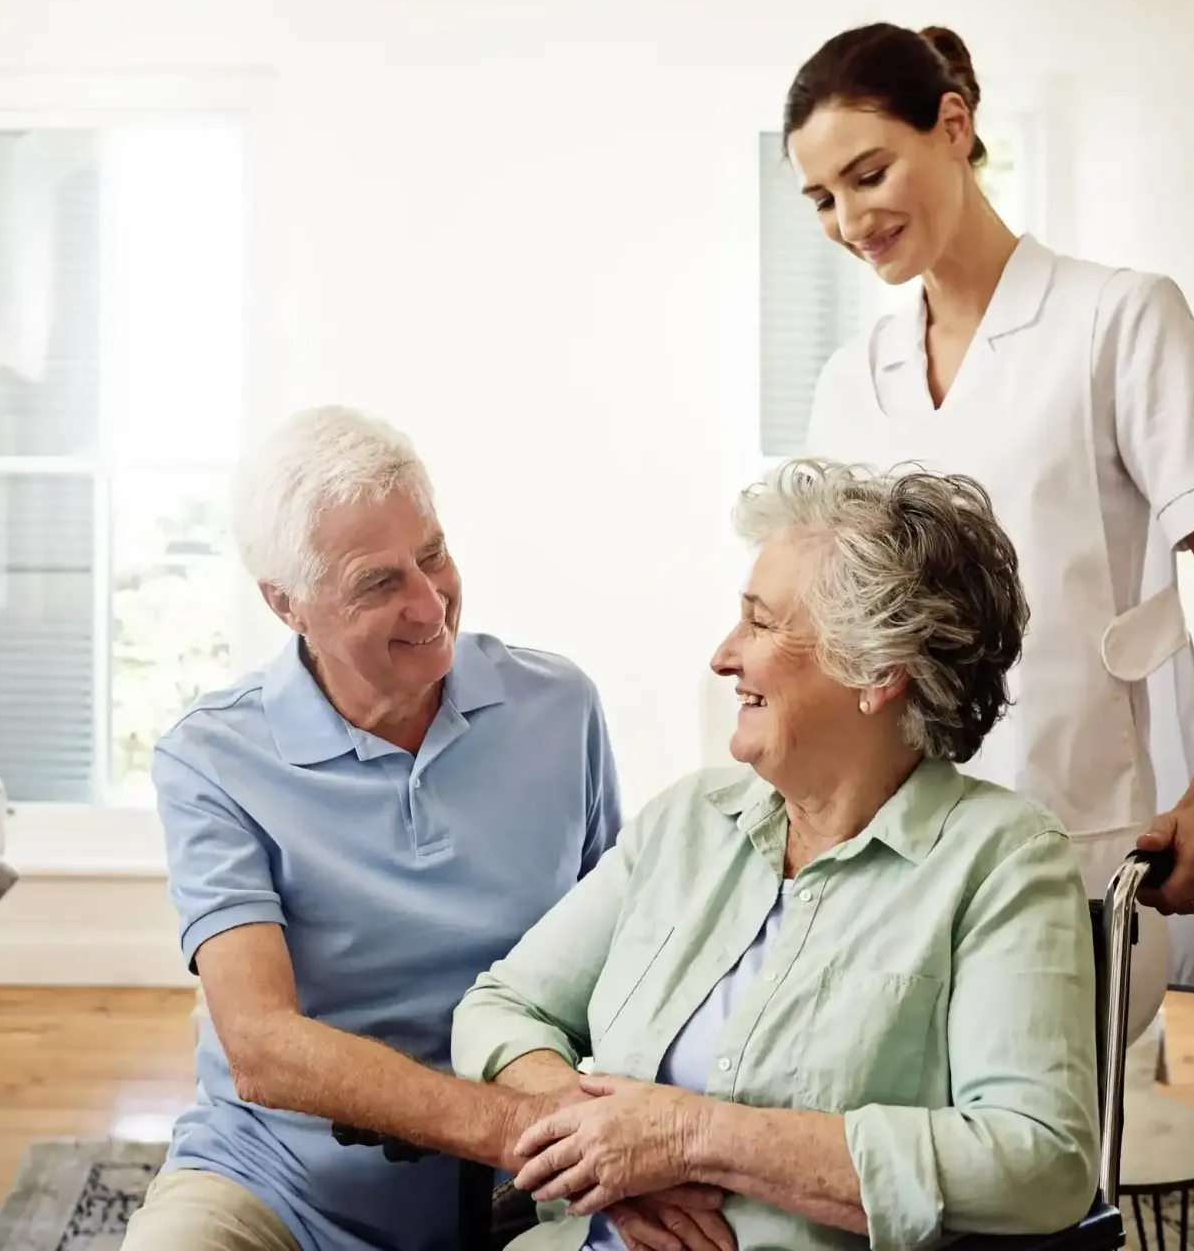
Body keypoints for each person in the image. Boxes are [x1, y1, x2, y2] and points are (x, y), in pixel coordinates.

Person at [785, 23, 1194, 1031]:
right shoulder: (854, 379)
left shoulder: (1118, 320)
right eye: (821, 199)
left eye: (869, 173)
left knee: (1041, 1161)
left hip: (1070, 828)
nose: (850, 219)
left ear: (954, 126)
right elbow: (828, 621)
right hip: (884, 846)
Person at [452, 459, 1102, 1251]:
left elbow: (1040, 1162)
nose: (725, 656)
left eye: (760, 623)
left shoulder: (1002, 862)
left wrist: (695, 1135)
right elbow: (502, 1006)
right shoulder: (689, 821)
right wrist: (603, 1146)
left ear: (877, 670)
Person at [122, 405, 632, 1251]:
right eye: (378, 581)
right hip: (282, 1181)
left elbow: (620, 963)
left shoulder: (559, 707)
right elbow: (262, 1046)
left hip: (528, 1184)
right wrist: (509, 1124)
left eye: (432, 554)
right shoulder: (213, 758)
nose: (430, 602)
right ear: (287, 604)